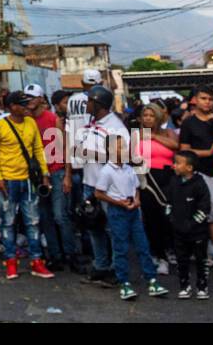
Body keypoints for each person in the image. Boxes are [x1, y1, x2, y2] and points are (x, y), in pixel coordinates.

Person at [0, 91, 54, 279]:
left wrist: (45, 174)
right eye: (23, 104)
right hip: (7, 182)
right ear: (12, 107)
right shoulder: (0, 126)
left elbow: (38, 149)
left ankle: (36, 261)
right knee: (8, 222)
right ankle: (11, 262)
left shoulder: (31, 123)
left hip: (28, 180)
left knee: (33, 222)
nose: (27, 107)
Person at [95, 136, 167, 301]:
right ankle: (124, 282)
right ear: (111, 151)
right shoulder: (107, 171)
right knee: (120, 248)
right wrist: (118, 202)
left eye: (125, 147)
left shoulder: (128, 168)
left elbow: (136, 187)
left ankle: (152, 280)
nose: (125, 150)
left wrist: (137, 200)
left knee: (143, 246)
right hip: (117, 212)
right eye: (121, 147)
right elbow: (98, 193)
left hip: (133, 211)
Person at [179, 86, 213, 278]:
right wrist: (208, 152)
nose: (207, 102)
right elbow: (184, 151)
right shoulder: (189, 124)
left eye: (210, 99)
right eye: (203, 98)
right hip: (205, 174)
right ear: (195, 100)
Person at [75, 85, 126, 287]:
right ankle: (100, 266)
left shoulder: (115, 126)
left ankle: (116, 270)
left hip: (110, 187)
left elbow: (122, 156)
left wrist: (92, 154)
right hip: (90, 183)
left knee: (113, 230)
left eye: (89, 101)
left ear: (98, 104)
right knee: (94, 227)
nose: (86, 104)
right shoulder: (91, 123)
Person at [31, 89, 76, 270]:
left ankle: (70, 255)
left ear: (41, 98)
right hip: (38, 177)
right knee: (45, 217)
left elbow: (65, 148)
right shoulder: (27, 122)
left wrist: (67, 175)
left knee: (60, 216)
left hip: (56, 171)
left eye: (33, 97)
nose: (30, 101)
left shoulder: (53, 119)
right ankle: (55, 255)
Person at [137, 101, 178, 275]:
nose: (148, 118)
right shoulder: (137, 135)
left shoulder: (168, 132)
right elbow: (134, 160)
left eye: (151, 115)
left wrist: (154, 137)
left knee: (170, 217)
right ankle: (159, 254)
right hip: (147, 179)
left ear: (158, 117)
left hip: (168, 177)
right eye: (145, 115)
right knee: (152, 218)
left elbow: (176, 147)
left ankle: (171, 249)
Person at [166, 151, 211, 300]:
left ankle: (202, 285)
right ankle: (184, 285)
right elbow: (169, 202)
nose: (175, 166)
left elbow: (205, 208)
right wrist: (171, 218)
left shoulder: (199, 184)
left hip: (198, 231)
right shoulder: (174, 182)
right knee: (181, 259)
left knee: (200, 258)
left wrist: (192, 224)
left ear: (189, 167)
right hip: (178, 230)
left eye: (178, 163)